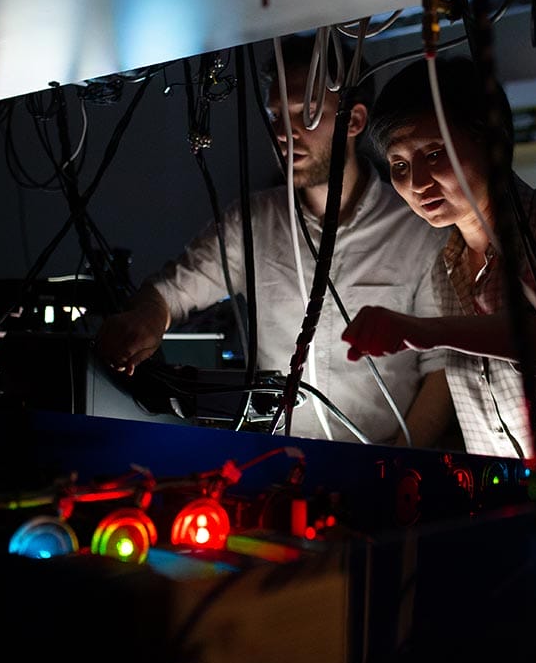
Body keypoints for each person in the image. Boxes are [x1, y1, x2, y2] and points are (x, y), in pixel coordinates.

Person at [95, 35, 454, 447]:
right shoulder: (253, 222)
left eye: (305, 114)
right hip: (276, 461)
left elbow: (441, 366)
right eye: (277, 115)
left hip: (381, 466)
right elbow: (173, 293)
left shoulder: (417, 230)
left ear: (354, 122)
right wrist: (144, 320)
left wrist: (402, 460)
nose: (286, 132)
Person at [340, 55, 536, 468]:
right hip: (510, 508)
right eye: (399, 165)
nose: (417, 183)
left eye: (435, 153)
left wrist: (423, 330)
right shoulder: (448, 266)